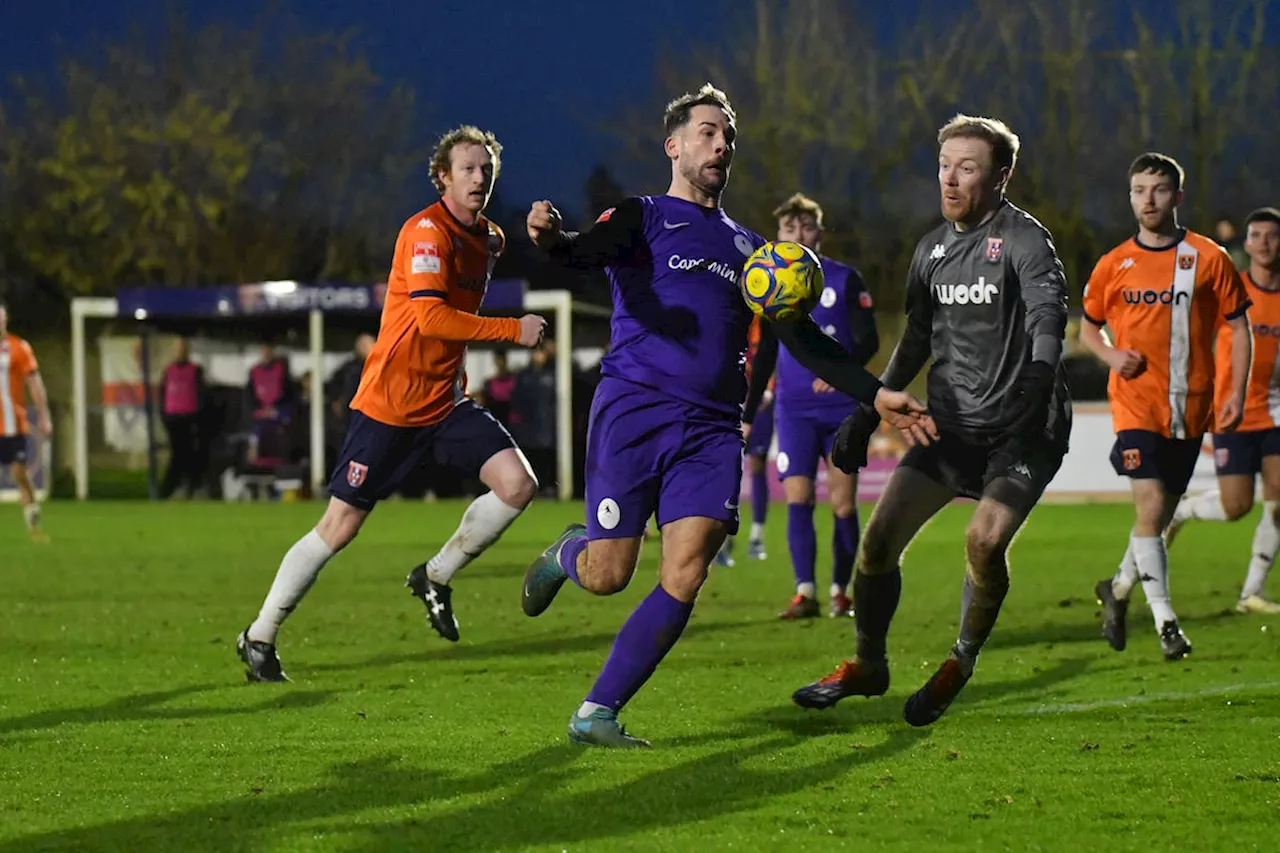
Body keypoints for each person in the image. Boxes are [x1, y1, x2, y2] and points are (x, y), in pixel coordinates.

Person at [520, 83, 933, 747]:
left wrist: (874, 390)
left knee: (687, 569)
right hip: (634, 410)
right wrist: (550, 238)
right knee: (608, 574)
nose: (720, 144)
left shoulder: (754, 250)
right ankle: (570, 551)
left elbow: (803, 339)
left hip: (711, 427)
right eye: (708, 132)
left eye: (728, 136)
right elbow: (579, 253)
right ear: (674, 145)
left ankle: (597, 711)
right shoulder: (643, 216)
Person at [790, 114, 1072, 727]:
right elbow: (916, 339)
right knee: (876, 545)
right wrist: (868, 412)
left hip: (1023, 427)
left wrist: (1039, 377)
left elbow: (1050, 314)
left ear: (1002, 176)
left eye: (967, 168)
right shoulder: (932, 250)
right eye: (944, 165)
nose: (949, 179)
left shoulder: (1024, 241)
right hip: (951, 427)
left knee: (983, 539)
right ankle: (868, 663)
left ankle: (961, 659)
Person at [236, 125, 547, 681]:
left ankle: (435, 575)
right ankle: (259, 636)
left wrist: (548, 237)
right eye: (467, 169)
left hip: (445, 403)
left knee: (518, 485)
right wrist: (511, 331)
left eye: (486, 169)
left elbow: (452, 317)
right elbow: (429, 318)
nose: (479, 177)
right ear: (442, 177)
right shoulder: (426, 233)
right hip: (390, 408)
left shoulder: (492, 239)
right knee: (339, 527)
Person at [1081, 153, 1251, 660]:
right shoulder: (1114, 263)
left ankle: (1118, 588)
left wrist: (1234, 393)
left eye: (1158, 190)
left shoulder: (1209, 257)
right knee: (1152, 508)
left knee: (1158, 516)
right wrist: (1112, 354)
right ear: (1130, 195)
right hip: (1135, 406)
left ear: (1177, 197)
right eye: (1138, 190)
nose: (1147, 200)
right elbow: (1089, 326)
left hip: (1191, 407)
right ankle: (1166, 624)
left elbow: (1238, 328)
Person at [745, 192, 879, 619]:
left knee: (842, 503)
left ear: (819, 233)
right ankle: (805, 591)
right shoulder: (768, 284)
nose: (797, 234)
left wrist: (839, 370)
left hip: (841, 407)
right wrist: (748, 415)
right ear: (778, 234)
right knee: (798, 497)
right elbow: (765, 353)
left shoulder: (843, 279)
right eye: (789, 228)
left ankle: (842, 590)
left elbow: (868, 340)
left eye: (805, 227)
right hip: (794, 408)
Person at [1162, 207, 1280, 614]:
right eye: (1256, 235)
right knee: (1236, 506)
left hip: (1276, 412)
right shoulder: (1231, 290)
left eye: (1272, 236)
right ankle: (1183, 510)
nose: (1264, 243)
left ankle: (1252, 592)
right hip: (1234, 410)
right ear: (1246, 244)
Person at [0, 301, 51, 542]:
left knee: (19, 473)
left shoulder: (19, 348)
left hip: (13, 424)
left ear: (6, 320)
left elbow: (34, 383)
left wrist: (44, 416)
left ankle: (33, 526)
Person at [158, 337, 209, 499]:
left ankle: (184, 487)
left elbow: (202, 394)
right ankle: (175, 488)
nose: (180, 351)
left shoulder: (195, 370)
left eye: (183, 348)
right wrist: (165, 416)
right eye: (178, 348)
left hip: (190, 417)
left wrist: (198, 416)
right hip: (174, 419)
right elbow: (162, 395)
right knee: (179, 454)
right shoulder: (168, 371)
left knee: (187, 454)